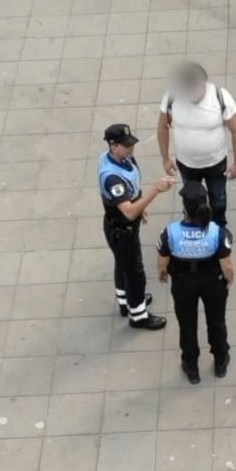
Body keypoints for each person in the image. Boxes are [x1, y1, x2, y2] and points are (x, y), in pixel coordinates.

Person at [98, 123, 176, 330]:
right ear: (113, 147)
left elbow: (130, 194)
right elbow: (128, 211)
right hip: (122, 231)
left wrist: (140, 204)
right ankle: (138, 314)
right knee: (134, 273)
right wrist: (155, 190)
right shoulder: (112, 177)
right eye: (125, 145)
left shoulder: (119, 159)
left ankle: (125, 303)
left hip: (118, 226)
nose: (130, 148)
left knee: (121, 265)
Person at [156, 182, 235, 384]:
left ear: (184, 208)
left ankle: (191, 366)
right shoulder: (217, 232)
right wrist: (228, 280)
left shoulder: (170, 232)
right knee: (216, 321)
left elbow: (162, 261)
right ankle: (220, 360)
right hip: (212, 282)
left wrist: (163, 273)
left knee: (187, 325)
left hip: (183, 284)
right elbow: (226, 265)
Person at [157, 62, 236, 226]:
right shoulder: (172, 97)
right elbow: (162, 127)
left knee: (218, 201)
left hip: (216, 163)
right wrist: (165, 158)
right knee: (192, 202)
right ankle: (195, 226)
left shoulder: (220, 97)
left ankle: (218, 229)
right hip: (187, 164)